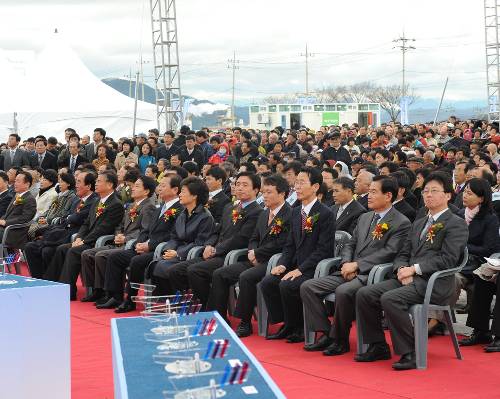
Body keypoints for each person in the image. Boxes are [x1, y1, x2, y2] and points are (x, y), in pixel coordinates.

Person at [356, 171, 468, 370]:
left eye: (435, 191)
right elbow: (403, 253)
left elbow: (448, 259)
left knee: (390, 298)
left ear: (448, 196)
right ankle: (378, 345)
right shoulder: (419, 223)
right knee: (365, 293)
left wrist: (415, 270)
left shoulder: (456, 224)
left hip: (434, 282)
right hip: (409, 279)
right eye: (425, 191)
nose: (428, 195)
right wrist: (401, 269)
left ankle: (411, 352)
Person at [300, 175, 411, 355]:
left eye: (374, 192)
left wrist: (358, 265)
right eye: (369, 191)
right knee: (308, 287)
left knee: (343, 292)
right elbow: (350, 244)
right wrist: (346, 263)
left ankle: (340, 340)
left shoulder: (401, 222)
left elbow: (389, 252)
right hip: (349, 270)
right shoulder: (365, 217)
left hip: (373, 274)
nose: (369, 196)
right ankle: (327, 333)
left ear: (388, 195)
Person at [207, 174, 292, 337]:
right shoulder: (264, 213)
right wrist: (252, 252)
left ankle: (244, 322)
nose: (264, 195)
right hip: (255, 259)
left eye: (269, 192)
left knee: (246, 277)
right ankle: (218, 317)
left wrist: (258, 253)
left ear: (282, 194)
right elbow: (254, 238)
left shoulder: (289, 214)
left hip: (274, 261)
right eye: (264, 192)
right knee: (220, 274)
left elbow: (283, 243)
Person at [167, 172, 263, 309]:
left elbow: (241, 239)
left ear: (256, 190)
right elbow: (216, 232)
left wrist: (216, 249)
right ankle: (189, 306)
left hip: (232, 256)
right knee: (175, 270)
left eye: (245, 185)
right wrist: (208, 245)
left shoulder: (257, 212)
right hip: (216, 253)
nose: (239, 187)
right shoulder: (229, 207)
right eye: (237, 184)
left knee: (195, 270)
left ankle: (209, 310)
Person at [261, 167, 335, 343]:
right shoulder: (295, 212)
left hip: (313, 268)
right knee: (268, 282)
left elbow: (324, 249)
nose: (297, 187)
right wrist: (284, 264)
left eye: (302, 183)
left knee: (288, 285)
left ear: (315, 186)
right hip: (295, 265)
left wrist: (300, 269)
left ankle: (300, 327)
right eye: (296, 183)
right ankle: (288, 323)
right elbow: (290, 244)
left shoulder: (325, 213)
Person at [98, 175, 183, 311]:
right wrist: (139, 243)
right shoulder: (159, 207)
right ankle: (115, 296)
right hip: (145, 247)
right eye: (159, 185)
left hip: (160, 250)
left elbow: (172, 235)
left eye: (163, 186)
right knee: (115, 257)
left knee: (137, 261)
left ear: (175, 190)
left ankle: (130, 300)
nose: (159, 188)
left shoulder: (180, 209)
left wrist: (149, 246)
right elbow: (146, 230)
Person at [80, 176, 157, 303]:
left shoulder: (148, 207)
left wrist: (125, 239)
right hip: (121, 242)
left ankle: (111, 294)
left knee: (102, 255)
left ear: (146, 191)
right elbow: (120, 225)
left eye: (137, 186)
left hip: (130, 245)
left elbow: (144, 231)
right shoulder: (132, 205)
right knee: (87, 254)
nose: (132, 188)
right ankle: (97, 290)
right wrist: (118, 234)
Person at [51, 171, 124, 299]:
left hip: (101, 242)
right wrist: (79, 237)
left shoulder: (116, 204)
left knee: (73, 251)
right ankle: (57, 286)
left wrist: (83, 241)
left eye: (99, 181)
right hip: (88, 240)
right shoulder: (97, 202)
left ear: (110, 185)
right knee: (62, 248)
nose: (96, 183)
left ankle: (68, 292)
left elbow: (104, 228)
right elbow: (86, 224)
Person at [149, 177, 215, 298]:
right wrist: (169, 250)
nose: (180, 194)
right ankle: (165, 299)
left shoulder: (205, 217)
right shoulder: (183, 214)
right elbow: (174, 236)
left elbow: (200, 243)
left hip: (192, 254)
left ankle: (179, 300)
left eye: (183, 191)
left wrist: (178, 253)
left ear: (194, 196)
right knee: (154, 264)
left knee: (170, 268)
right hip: (178, 251)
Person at [26, 171, 97, 279]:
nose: (76, 185)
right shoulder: (78, 200)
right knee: (30, 247)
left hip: (74, 234)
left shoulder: (93, 201)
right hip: (63, 230)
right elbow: (68, 217)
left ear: (88, 186)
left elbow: (76, 218)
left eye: (79, 182)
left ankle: (50, 280)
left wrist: (68, 219)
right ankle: (38, 279)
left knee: (47, 251)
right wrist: (67, 219)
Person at [456, 179, 500, 349]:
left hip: (478, 261)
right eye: (464, 192)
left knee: (486, 276)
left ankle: (498, 333)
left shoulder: (489, 219)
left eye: (469, 193)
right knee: (482, 279)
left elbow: (490, 248)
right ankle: (481, 331)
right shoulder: (459, 214)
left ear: (481, 198)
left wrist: (463, 245)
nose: (464, 196)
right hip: (463, 263)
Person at [28, 172, 77, 239]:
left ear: (68, 184)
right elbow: (50, 209)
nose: (59, 184)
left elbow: (63, 212)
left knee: (32, 230)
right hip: (47, 220)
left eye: (62, 182)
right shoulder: (59, 195)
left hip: (54, 223)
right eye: (59, 182)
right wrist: (42, 217)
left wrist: (47, 220)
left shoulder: (70, 196)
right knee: (27, 227)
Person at [0, 171, 37, 247]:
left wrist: (5, 222)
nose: (15, 184)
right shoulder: (17, 196)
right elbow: (7, 214)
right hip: (5, 229)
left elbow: (25, 218)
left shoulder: (30, 199)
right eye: (15, 181)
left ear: (27, 184)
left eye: (18, 181)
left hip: (14, 233)